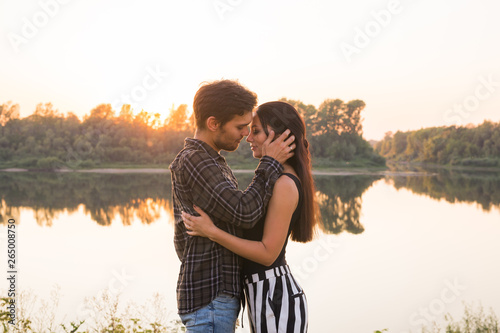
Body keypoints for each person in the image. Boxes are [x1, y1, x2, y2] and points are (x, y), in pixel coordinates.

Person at [169, 80, 296, 333]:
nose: (245, 134)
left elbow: (181, 241)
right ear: (213, 123)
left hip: (214, 300)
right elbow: (245, 212)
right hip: (211, 300)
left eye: (250, 128)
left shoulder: (213, 162)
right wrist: (269, 162)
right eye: (240, 127)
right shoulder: (196, 160)